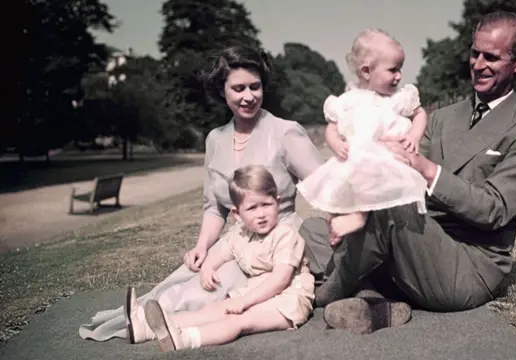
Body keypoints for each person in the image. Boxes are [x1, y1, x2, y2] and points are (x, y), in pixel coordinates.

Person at [301, 11, 516, 334]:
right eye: (474, 53)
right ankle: (377, 302)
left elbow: (493, 210)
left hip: (465, 262)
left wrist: (425, 169)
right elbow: (389, 171)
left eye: (491, 57)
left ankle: (334, 290)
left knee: (388, 206)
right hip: (412, 238)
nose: (478, 64)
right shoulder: (442, 118)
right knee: (314, 227)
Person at [78, 45, 324, 343]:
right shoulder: (215, 139)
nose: (248, 96)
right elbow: (214, 207)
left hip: (275, 246)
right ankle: (143, 320)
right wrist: (202, 246)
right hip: (236, 241)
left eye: (255, 86)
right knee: (186, 276)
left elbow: (325, 187)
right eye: (238, 88)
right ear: (222, 90)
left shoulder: (285, 132)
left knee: (205, 290)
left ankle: (152, 325)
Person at [136, 165, 315, 352]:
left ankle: (186, 339)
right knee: (218, 308)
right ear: (237, 214)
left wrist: (244, 302)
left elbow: (281, 279)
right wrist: (207, 268)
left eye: (266, 205)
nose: (261, 214)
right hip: (257, 295)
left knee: (237, 320)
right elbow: (220, 253)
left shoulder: (285, 234)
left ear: (277, 203)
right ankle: (148, 329)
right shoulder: (242, 234)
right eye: (252, 208)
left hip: (289, 301)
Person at [297, 29, 429, 243]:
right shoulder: (348, 100)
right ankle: (337, 223)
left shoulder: (398, 98)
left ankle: (359, 215)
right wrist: (335, 143)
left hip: (384, 156)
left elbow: (420, 113)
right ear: (366, 71)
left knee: (369, 174)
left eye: (400, 69)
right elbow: (332, 126)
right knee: (340, 186)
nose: (399, 76)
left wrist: (415, 135)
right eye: (393, 70)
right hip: (354, 155)